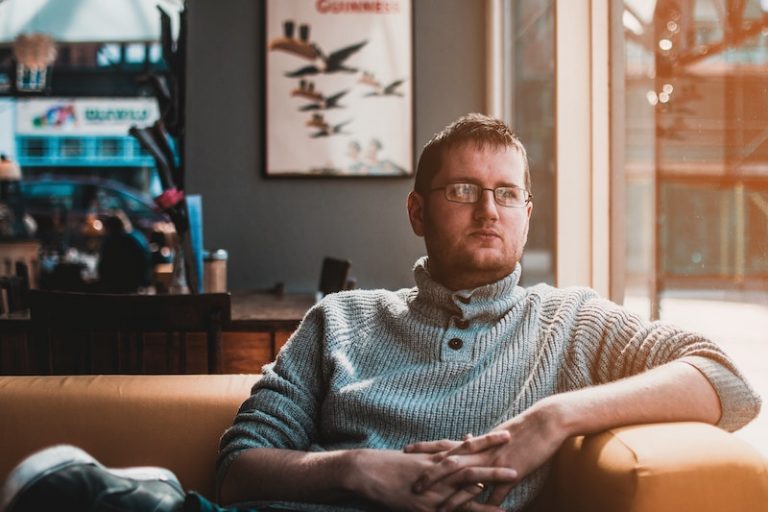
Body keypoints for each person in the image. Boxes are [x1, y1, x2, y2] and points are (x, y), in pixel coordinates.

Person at [0, 114, 761, 512]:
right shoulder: (342, 319)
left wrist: (552, 420)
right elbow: (238, 469)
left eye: (506, 194)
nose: (487, 209)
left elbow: (728, 382)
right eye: (463, 190)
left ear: (528, 214)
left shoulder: (574, 323)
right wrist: (359, 471)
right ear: (417, 212)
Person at [97, 210, 152, 293]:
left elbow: (103, 266)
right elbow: (143, 262)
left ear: (109, 228)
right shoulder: (133, 240)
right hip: (131, 286)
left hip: (113, 287)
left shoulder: (109, 243)